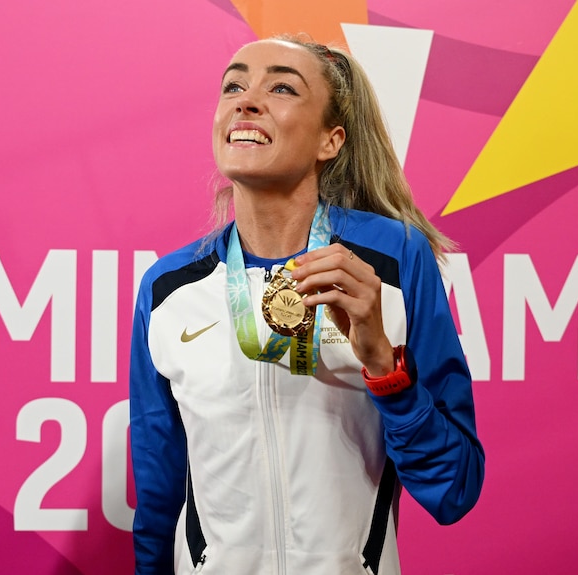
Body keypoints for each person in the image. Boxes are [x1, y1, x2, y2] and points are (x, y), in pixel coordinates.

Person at [129, 36, 484, 575]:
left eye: (281, 87)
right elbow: (159, 494)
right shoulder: (168, 289)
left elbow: (454, 488)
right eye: (233, 85)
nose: (246, 100)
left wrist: (385, 369)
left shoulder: (394, 260)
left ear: (329, 140)